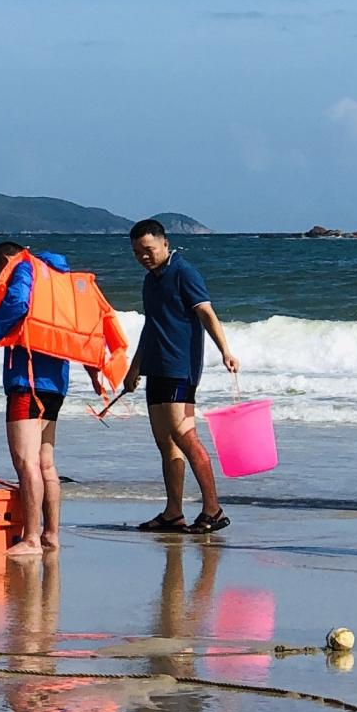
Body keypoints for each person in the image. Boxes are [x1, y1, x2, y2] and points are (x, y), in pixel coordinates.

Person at [118, 219, 239, 535]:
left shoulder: (185, 273)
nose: (143, 257)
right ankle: (173, 513)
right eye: (137, 252)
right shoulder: (150, 281)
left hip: (179, 369)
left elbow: (207, 314)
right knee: (165, 443)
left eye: (148, 250)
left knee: (185, 437)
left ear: (165, 244)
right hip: (155, 368)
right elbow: (151, 327)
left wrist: (225, 350)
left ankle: (213, 509)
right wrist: (134, 368)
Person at [0, 243, 77, 559]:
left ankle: (31, 538)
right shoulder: (58, 274)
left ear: (5, 261)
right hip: (56, 380)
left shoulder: (23, 268)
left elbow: (17, 303)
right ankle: (51, 535)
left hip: (26, 379)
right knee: (46, 462)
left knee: (26, 461)